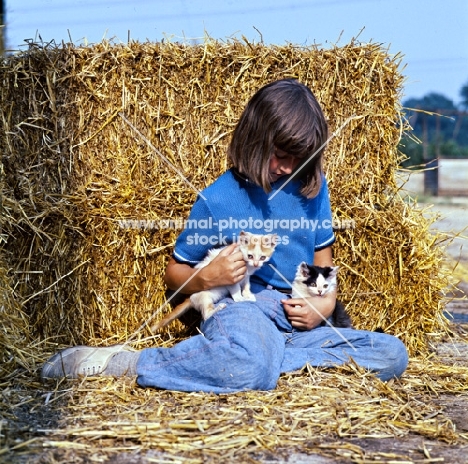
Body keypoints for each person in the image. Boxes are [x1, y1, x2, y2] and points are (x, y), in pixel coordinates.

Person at [42, 79, 408, 392]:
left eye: (299, 158)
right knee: (249, 365)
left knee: (391, 354)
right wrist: (206, 277)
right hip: (243, 310)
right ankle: (125, 363)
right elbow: (175, 272)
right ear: (254, 140)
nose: (288, 168)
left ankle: (265, 360)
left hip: (296, 321)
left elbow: (322, 256)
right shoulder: (218, 199)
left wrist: (323, 304)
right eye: (280, 155)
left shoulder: (311, 187)